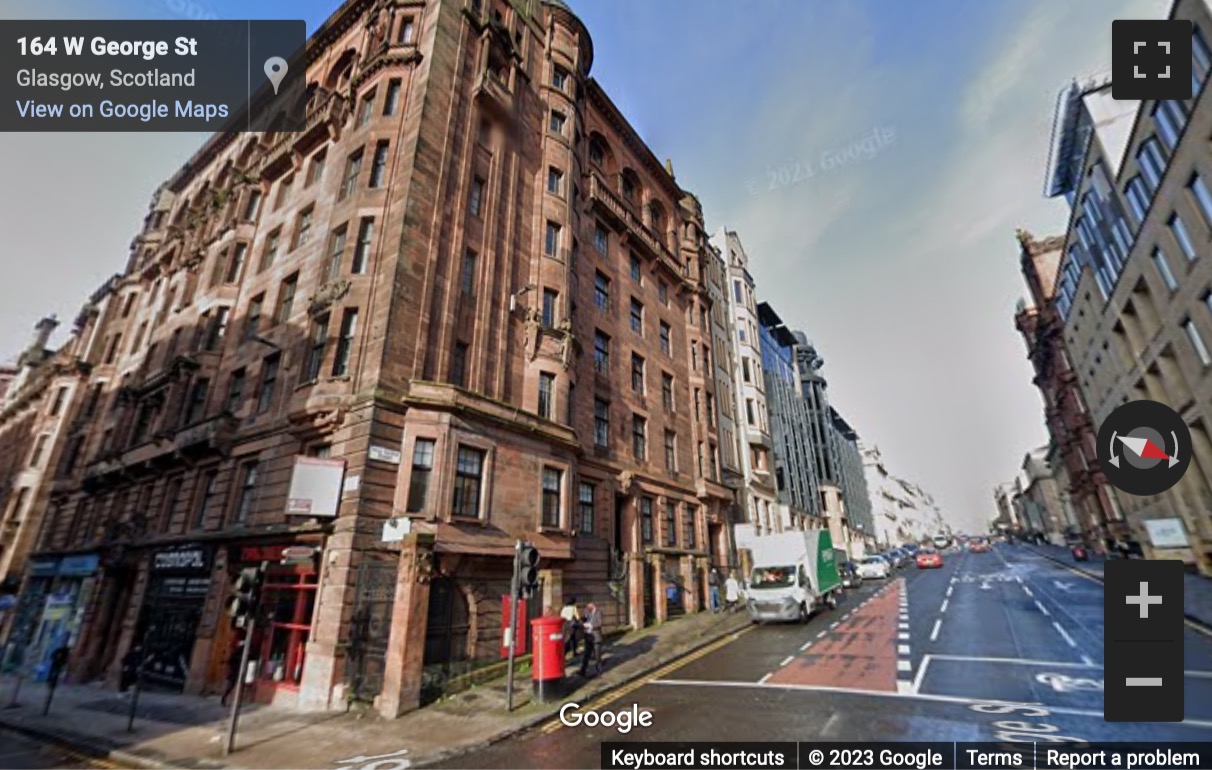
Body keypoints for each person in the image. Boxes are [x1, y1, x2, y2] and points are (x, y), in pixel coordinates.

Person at [220, 629, 247, 707]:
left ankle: (232, 700)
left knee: (234, 684)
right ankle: (226, 698)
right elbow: (232, 656)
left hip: (236, 667)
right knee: (232, 684)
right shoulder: (236, 645)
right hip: (235, 667)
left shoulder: (238, 644)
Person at [579, 602, 603, 677]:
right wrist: (582, 621)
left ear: (593, 607)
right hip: (588, 637)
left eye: (588, 608)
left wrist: (591, 626)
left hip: (596, 637)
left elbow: (599, 623)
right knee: (586, 655)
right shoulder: (587, 613)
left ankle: (599, 672)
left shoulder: (598, 612)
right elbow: (584, 619)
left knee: (597, 656)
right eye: (587, 608)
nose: (587, 609)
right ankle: (582, 671)